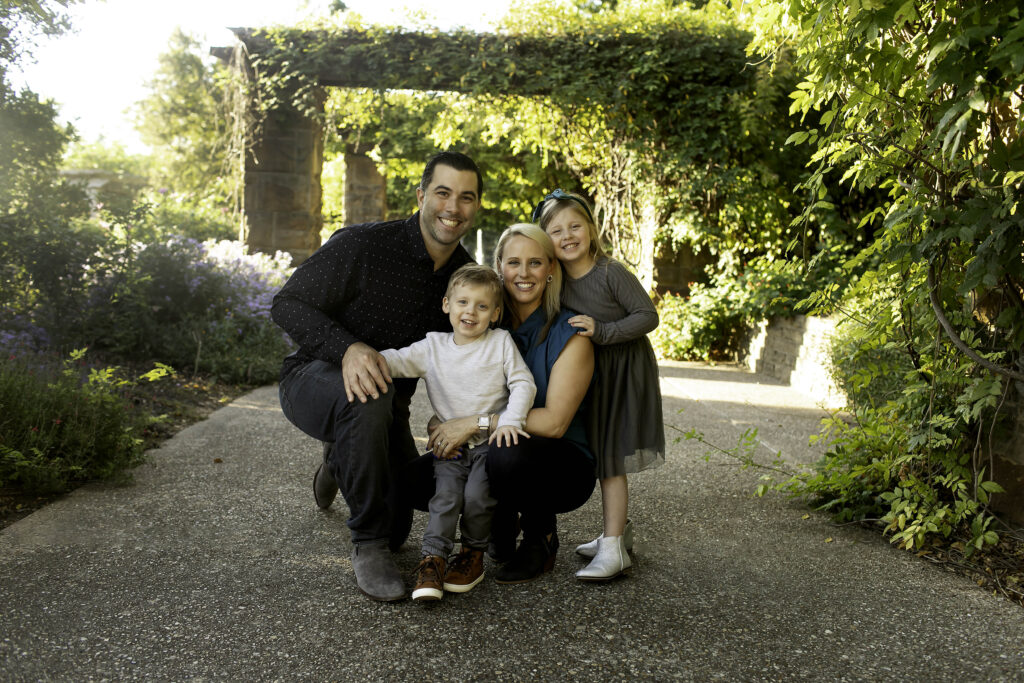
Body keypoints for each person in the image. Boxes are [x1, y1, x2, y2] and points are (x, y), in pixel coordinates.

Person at [271, 151, 482, 602]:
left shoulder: (465, 283)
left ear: (476, 207)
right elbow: (287, 303)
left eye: (466, 198)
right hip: (312, 379)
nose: (453, 207)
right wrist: (347, 348)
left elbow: (478, 357)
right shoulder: (363, 245)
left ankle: (339, 459)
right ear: (422, 195)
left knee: (400, 529)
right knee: (367, 400)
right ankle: (366, 543)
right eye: (443, 193)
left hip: (387, 411)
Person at [418, 224, 598, 584]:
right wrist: (442, 423)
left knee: (505, 453)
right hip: (491, 448)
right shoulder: (483, 324)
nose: (524, 273)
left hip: (561, 462)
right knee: (419, 479)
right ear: (499, 267)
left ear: (550, 270)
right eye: (514, 262)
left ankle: (539, 536)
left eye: (535, 263)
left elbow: (554, 423)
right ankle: (498, 527)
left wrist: (473, 423)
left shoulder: (571, 334)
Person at [379, 264, 536, 601]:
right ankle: (432, 559)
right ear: (446, 304)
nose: (471, 312)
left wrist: (512, 421)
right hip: (450, 446)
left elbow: (523, 382)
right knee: (446, 497)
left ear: (495, 313)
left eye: (482, 306)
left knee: (479, 498)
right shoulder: (433, 347)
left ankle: (472, 555)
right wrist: (362, 358)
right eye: (463, 302)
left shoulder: (500, 342)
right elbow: (396, 360)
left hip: (489, 445)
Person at [533, 189, 665, 581]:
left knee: (610, 459)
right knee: (597, 448)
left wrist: (605, 331)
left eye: (575, 225)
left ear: (591, 229)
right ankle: (618, 536)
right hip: (590, 375)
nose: (568, 235)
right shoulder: (555, 280)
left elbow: (647, 315)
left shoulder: (611, 273)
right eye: (556, 230)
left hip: (623, 372)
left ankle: (612, 549)